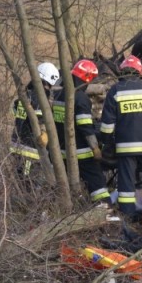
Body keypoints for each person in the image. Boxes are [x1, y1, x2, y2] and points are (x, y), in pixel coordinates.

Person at [99, 55, 142, 224]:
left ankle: (127, 216)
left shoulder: (115, 91)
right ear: (139, 72)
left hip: (125, 148)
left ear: (122, 71)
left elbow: (107, 124)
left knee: (126, 183)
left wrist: (106, 144)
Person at [52, 59, 110, 204]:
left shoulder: (60, 95)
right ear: (87, 79)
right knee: (97, 183)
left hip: (63, 151)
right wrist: (95, 148)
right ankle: (105, 210)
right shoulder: (81, 98)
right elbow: (85, 127)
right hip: (82, 152)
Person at [10, 62, 60, 179]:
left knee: (19, 177)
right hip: (30, 147)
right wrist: (45, 132)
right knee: (27, 181)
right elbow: (40, 117)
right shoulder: (40, 95)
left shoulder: (26, 93)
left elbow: (15, 112)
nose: (49, 88)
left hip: (17, 142)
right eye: (49, 85)